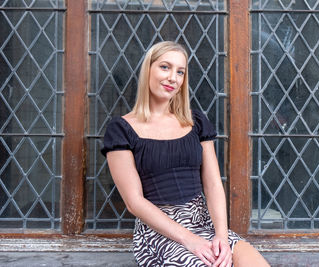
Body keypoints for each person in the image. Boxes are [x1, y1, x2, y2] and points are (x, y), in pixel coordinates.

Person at [101, 41, 270, 267]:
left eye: (180, 72)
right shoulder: (121, 129)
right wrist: (190, 240)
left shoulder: (196, 121)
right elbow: (134, 202)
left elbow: (212, 184)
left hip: (204, 223)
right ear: (147, 70)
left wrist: (220, 235)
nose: (173, 77)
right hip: (160, 231)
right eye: (165, 67)